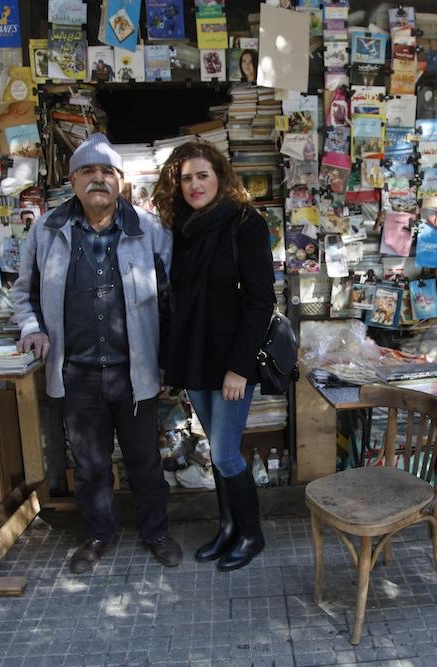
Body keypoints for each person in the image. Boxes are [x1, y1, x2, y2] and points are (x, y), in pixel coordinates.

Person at [12, 133, 181, 574]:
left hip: (136, 371)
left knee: (145, 461)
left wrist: (167, 361)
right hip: (77, 374)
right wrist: (32, 327)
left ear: (121, 181)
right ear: (72, 180)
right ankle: (97, 534)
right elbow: (23, 292)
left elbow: (171, 300)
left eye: (107, 171)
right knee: (89, 465)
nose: (98, 179)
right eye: (88, 171)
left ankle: (156, 531)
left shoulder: (149, 229)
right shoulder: (47, 230)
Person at [152, 141, 275, 572]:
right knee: (219, 449)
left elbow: (262, 302)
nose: (194, 184)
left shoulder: (246, 223)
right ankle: (227, 528)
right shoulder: (183, 229)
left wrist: (239, 367)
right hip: (196, 357)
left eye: (202, 175)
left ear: (220, 176)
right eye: (185, 178)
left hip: (231, 361)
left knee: (224, 454)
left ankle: (252, 534)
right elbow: (176, 302)